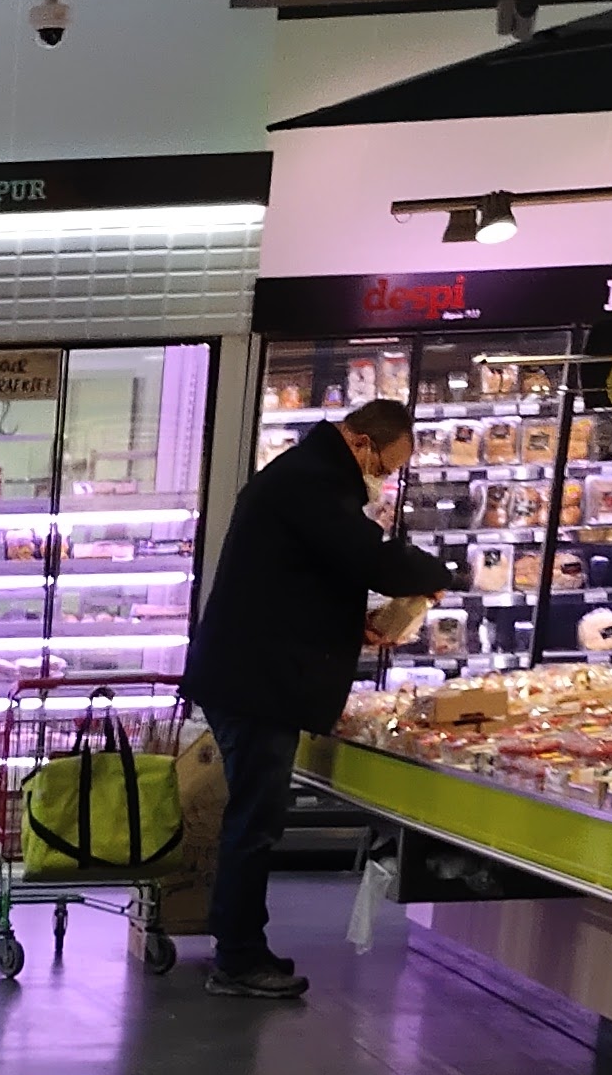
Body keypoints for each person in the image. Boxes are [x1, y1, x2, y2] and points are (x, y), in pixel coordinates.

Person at [181, 397, 459, 1000]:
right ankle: (237, 959)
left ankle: (242, 947)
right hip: (258, 684)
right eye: (383, 467)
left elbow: (298, 580)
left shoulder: (306, 477)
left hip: (252, 676)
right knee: (254, 824)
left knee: (252, 820)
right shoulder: (312, 483)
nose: (382, 480)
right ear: (360, 443)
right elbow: (369, 558)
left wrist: (347, 623)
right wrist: (438, 574)